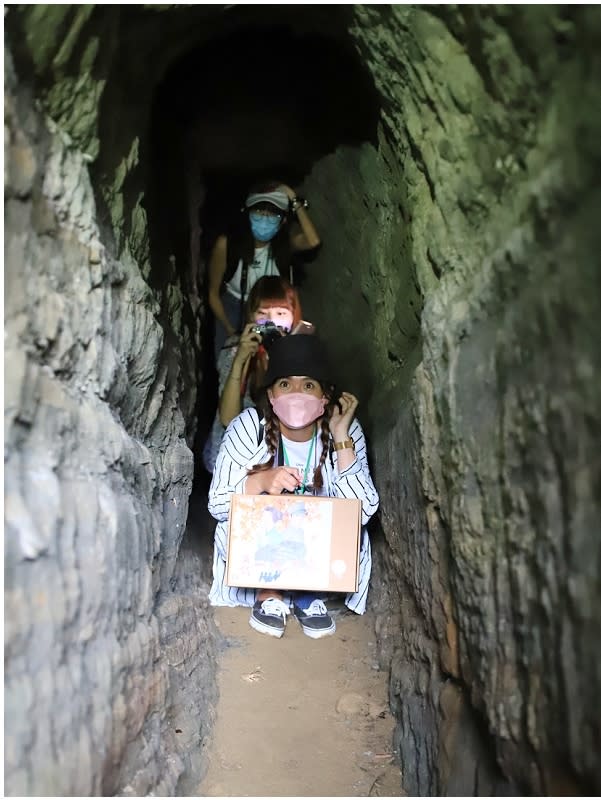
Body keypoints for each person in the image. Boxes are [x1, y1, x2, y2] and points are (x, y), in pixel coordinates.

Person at [207, 334, 379, 639]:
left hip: (321, 565)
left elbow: (362, 514)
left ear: (325, 396)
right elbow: (218, 504)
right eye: (285, 384)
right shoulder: (249, 428)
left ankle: (307, 594)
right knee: (244, 515)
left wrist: (341, 439)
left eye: (308, 385)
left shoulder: (346, 431)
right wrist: (259, 481)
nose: (297, 393)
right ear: (271, 395)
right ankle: (270, 593)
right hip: (258, 563)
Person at [207, 180, 320, 359]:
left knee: (272, 360)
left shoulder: (283, 247)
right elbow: (213, 294)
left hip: (269, 309)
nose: (265, 219)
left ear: (282, 221)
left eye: (272, 214)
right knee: (229, 361)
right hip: (234, 307)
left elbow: (313, 241)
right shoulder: (228, 245)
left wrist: (294, 199)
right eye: (259, 211)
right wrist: (230, 330)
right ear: (248, 213)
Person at [202, 275, 303, 473]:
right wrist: (241, 359)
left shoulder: (301, 352)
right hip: (238, 453)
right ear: (252, 318)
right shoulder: (237, 349)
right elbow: (228, 420)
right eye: (263, 315)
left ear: (294, 316)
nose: (272, 322)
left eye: (281, 313)